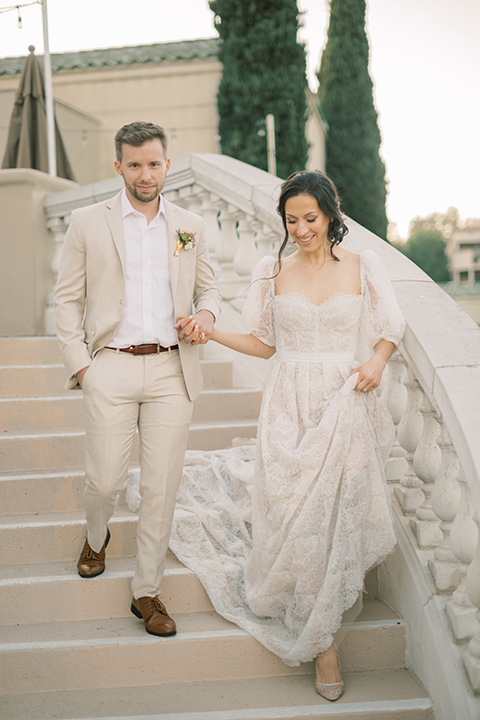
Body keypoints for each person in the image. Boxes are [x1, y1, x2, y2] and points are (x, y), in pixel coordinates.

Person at [128, 169, 405, 699]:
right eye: (291, 219)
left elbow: (392, 327)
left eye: (310, 218)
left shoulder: (364, 267)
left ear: (331, 215)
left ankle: (323, 645)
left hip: (344, 398)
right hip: (287, 400)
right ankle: (322, 640)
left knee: (327, 511)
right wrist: (209, 331)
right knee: (292, 509)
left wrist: (375, 360)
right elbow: (262, 343)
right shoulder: (270, 270)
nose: (300, 229)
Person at [54, 121, 221, 638]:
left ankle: (146, 591)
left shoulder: (190, 224)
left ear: (167, 164)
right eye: (134, 164)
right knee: (104, 481)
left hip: (173, 369)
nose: (145, 173)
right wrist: (83, 365)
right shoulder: (88, 221)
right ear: (118, 166)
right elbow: (66, 299)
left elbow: (209, 289)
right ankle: (95, 534)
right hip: (111, 367)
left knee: (160, 487)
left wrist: (208, 317)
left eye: (153, 163)